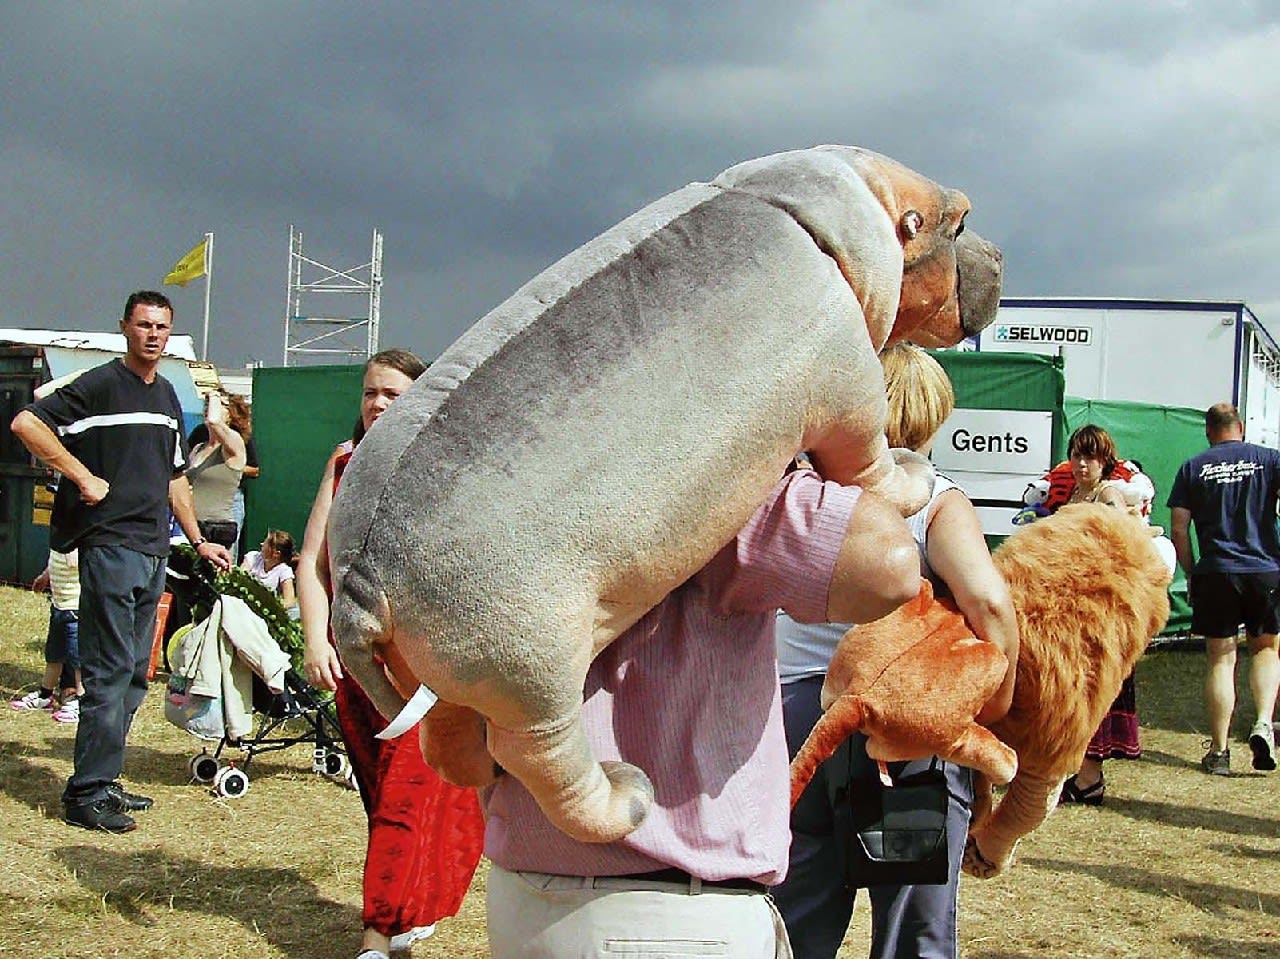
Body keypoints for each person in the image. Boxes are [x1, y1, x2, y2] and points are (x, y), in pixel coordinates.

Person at [480, 441, 923, 956]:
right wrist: (835, 459)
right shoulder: (720, 482)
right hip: (665, 914)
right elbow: (888, 565)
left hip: (531, 894)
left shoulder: (526, 475)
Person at [771, 343, 1019, 959]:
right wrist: (994, 701)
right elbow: (989, 603)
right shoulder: (936, 497)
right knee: (912, 917)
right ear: (934, 416)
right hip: (903, 729)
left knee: (797, 909)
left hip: (799, 715)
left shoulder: (800, 488)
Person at [9, 289, 233, 833]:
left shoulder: (165, 398)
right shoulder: (101, 385)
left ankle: (105, 780)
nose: (152, 334)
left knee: (135, 674)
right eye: (143, 325)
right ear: (125, 329)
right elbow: (26, 424)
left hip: (153, 548)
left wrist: (198, 539)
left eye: (161, 326)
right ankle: (84, 794)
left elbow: (175, 477)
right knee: (109, 673)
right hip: (110, 547)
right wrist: (81, 476)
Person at [298, 349, 484, 959]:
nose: (378, 404)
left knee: (411, 798)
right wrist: (313, 638)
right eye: (371, 392)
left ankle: (377, 936)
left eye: (393, 395)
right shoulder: (343, 464)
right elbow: (313, 565)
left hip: (423, 671)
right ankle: (411, 907)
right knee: (384, 799)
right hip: (356, 665)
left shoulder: (445, 469)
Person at [1168, 402, 1280, 776]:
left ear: (1208, 431)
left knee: (1221, 659)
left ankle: (1218, 752)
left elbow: (1180, 529)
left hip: (1215, 572)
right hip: (1265, 570)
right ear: (1241, 427)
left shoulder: (1192, 467)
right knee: (1265, 650)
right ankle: (1263, 722)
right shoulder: (1269, 459)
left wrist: (1192, 572)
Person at [1045, 425, 1143, 805]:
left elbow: (1126, 543)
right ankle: (1076, 772)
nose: (1082, 464)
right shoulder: (1072, 491)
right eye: (1077, 455)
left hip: (1100, 608)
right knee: (1073, 689)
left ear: (1105, 461)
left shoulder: (1109, 495)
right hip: (1071, 605)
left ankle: (1090, 778)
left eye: (1090, 457)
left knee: (1094, 690)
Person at [10, 548, 84, 723]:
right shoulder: (62, 538)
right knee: (54, 655)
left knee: (78, 660)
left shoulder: (78, 538)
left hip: (76, 609)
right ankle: (45, 695)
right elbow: (55, 560)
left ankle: (82, 702)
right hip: (59, 606)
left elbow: (75, 563)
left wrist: (70, 545)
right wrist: (45, 576)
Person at [187, 390, 249, 553]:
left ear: (230, 414)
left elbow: (214, 421)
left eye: (219, 404)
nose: (209, 406)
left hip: (216, 529)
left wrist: (214, 392)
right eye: (206, 403)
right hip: (191, 527)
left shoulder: (234, 444)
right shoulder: (198, 448)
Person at [241, 529, 297, 613]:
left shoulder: (284, 570)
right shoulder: (252, 557)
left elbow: (289, 601)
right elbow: (240, 577)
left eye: (265, 544)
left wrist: (269, 608)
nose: (261, 544)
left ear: (276, 553)